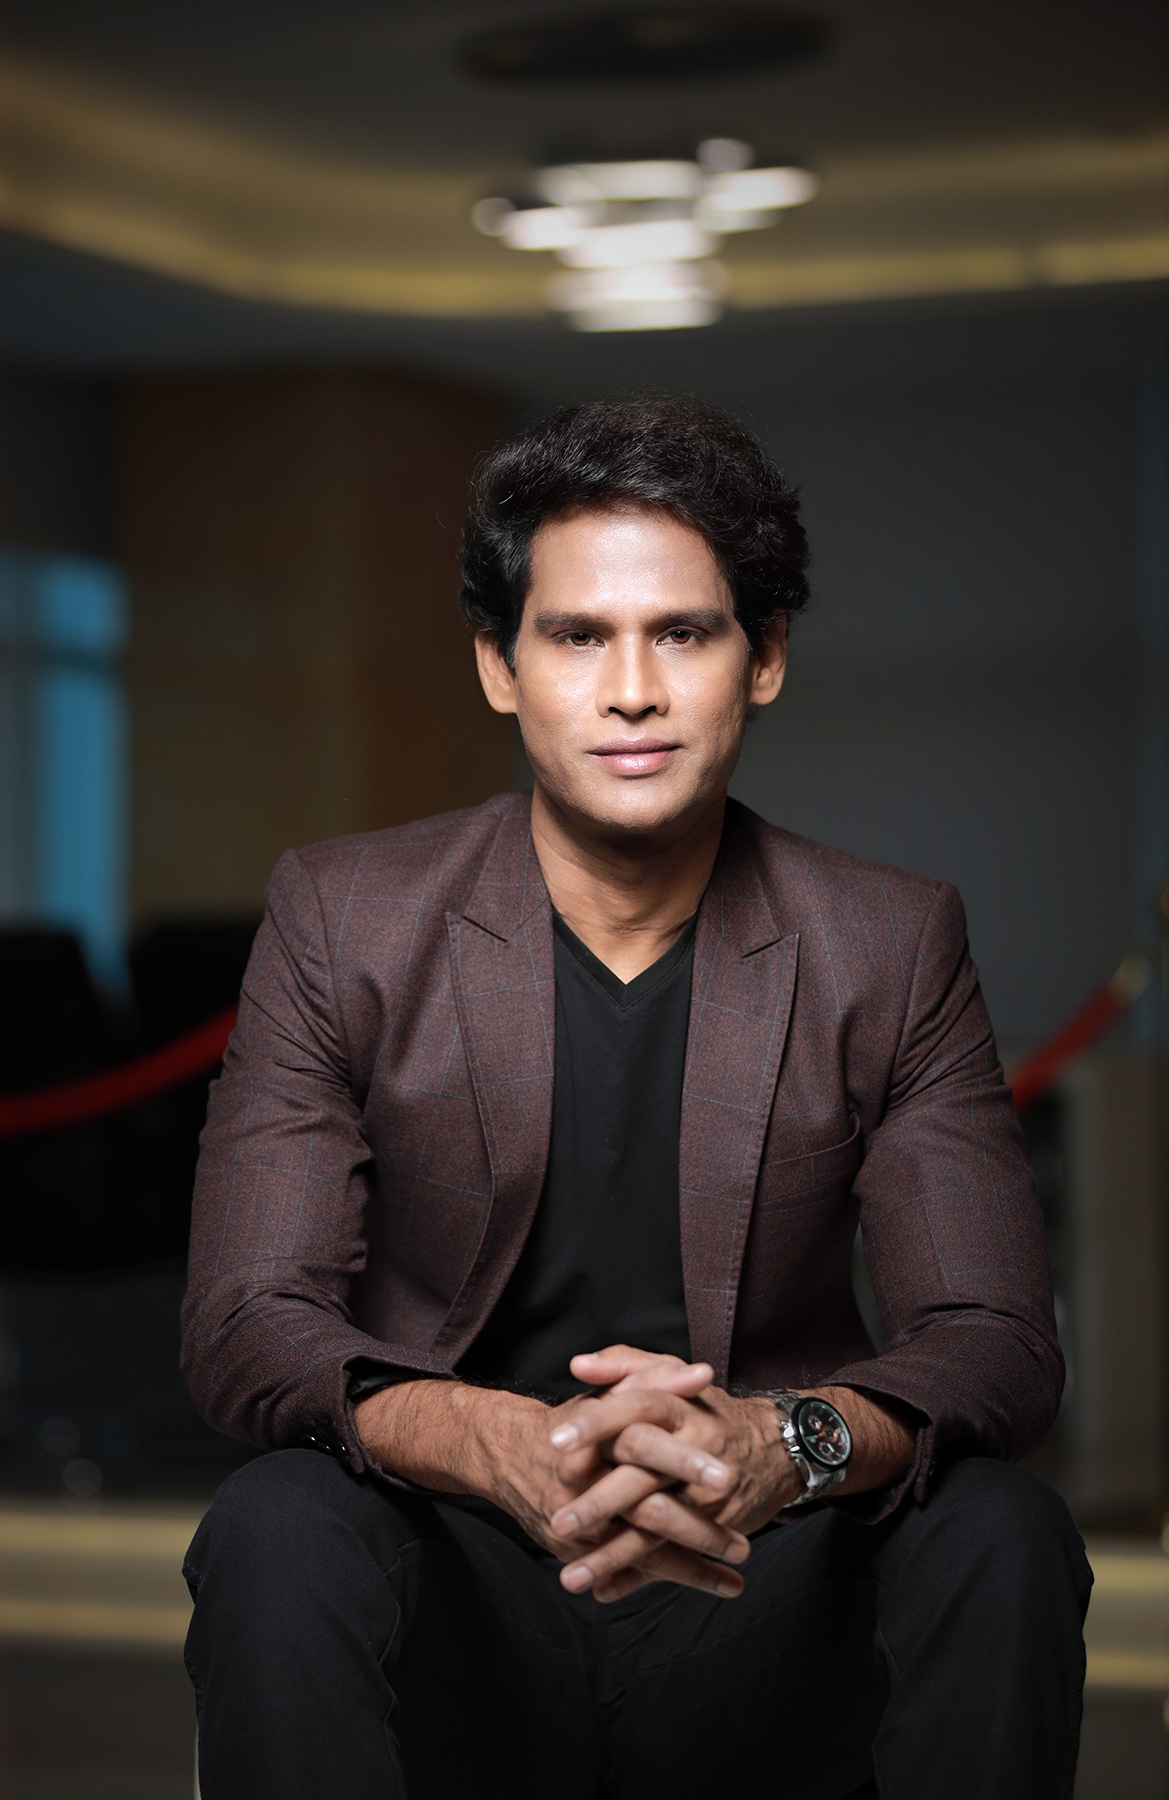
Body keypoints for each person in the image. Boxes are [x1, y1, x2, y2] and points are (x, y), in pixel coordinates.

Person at [180, 395, 1090, 1800]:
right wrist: (495, 1439)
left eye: (682, 633)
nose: (631, 691)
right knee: (274, 1526)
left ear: (763, 657)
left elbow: (998, 1340)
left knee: (1004, 1532)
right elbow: (246, 1319)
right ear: (499, 666)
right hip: (462, 1560)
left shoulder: (889, 942)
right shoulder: (343, 917)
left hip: (765, 1562)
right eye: (575, 636)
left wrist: (780, 1444)